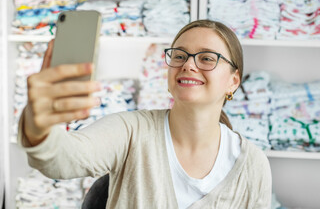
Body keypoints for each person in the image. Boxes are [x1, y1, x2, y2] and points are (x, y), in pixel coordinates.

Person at [18, 19, 272, 208]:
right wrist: (36, 125)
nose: (188, 65)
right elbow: (63, 159)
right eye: (180, 55)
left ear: (233, 81)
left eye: (207, 58)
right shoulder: (131, 132)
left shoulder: (252, 165)